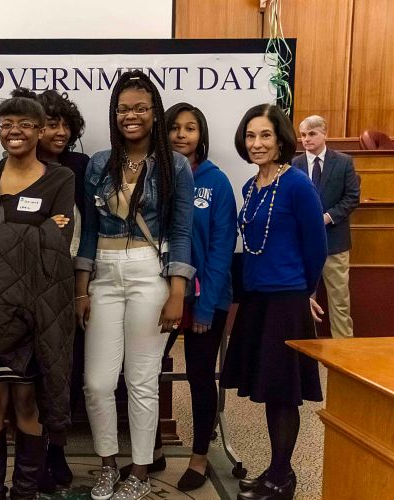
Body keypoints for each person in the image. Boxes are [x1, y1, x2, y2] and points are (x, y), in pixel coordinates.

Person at [75, 70, 195, 500]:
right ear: (114, 113)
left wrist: (178, 291)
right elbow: (88, 231)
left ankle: (140, 472)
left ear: (154, 113)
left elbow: (181, 230)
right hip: (104, 272)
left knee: (141, 381)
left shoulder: (175, 165)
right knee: (97, 382)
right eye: (124, 108)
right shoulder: (98, 163)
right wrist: (81, 287)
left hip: (150, 273)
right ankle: (108, 465)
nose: (132, 115)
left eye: (141, 108)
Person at [0, 94, 76, 500]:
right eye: (7, 124)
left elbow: (58, 244)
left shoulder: (60, 179)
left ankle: (24, 491)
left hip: (36, 307)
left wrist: (5, 234)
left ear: (41, 130)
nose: (15, 132)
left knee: (27, 400)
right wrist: (36, 230)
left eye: (25, 124)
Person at [221, 104, 327, 500]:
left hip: (286, 301)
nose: (257, 143)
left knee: (283, 392)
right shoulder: (251, 187)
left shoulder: (298, 184)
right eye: (250, 135)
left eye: (265, 135)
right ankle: (274, 469)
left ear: (281, 138)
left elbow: (316, 247)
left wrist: (304, 293)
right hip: (257, 300)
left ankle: (283, 478)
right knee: (269, 388)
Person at [17, 87, 88, 491]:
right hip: (26, 289)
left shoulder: (79, 166)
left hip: (69, 287)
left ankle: (57, 450)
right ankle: (33, 455)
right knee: (31, 375)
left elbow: (89, 229)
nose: (59, 131)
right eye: (50, 123)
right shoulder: (16, 168)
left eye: (64, 123)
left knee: (66, 375)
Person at [164, 102, 236, 490]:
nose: (181, 135)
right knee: (146, 373)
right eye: (174, 127)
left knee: (198, 376)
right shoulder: (158, 177)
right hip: (161, 295)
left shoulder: (216, 181)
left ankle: (198, 458)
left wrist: (206, 304)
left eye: (189, 128)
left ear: (201, 136)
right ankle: (151, 454)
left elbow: (224, 246)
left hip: (206, 298)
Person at [292, 115, 359, 338]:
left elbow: (352, 198)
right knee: (303, 300)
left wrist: (327, 217)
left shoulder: (343, 162)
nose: (306, 139)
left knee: (339, 302)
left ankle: (344, 354)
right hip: (302, 245)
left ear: (325, 133)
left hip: (335, 243)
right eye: (303, 135)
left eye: (312, 134)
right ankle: (305, 348)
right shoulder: (295, 165)